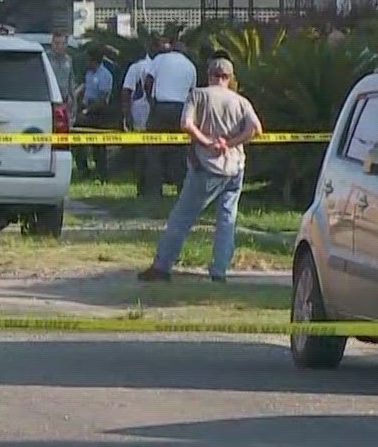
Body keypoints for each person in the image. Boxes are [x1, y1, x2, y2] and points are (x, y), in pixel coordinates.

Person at [139, 56, 262, 283]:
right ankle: (219, 271)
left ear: (209, 76)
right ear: (230, 78)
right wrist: (232, 143)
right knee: (227, 220)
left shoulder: (198, 95)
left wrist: (206, 142)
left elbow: (186, 124)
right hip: (235, 167)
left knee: (182, 217)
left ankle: (162, 266)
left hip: (206, 166)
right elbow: (256, 129)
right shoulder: (241, 101)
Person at [138, 38, 197, 197]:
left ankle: (153, 192)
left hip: (160, 108)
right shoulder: (190, 66)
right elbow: (193, 93)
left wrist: (151, 101)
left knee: (154, 151)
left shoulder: (160, 59)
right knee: (180, 152)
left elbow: (148, 81)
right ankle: (182, 191)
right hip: (180, 109)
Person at [74, 49, 119, 179]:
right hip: (86, 108)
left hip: (98, 113)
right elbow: (85, 91)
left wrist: (86, 111)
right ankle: (83, 170)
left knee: (98, 146)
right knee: (78, 141)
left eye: (88, 60)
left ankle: (101, 173)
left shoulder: (105, 75)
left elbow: (102, 99)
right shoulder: (89, 74)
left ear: (94, 60)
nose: (86, 62)